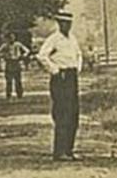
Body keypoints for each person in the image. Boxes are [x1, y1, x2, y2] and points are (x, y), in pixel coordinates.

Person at [37, 12, 81, 161]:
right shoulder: (54, 39)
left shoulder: (72, 39)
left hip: (71, 76)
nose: (66, 26)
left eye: (68, 23)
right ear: (59, 24)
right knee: (62, 113)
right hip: (60, 77)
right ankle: (59, 150)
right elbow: (42, 56)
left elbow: (78, 54)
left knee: (73, 113)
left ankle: (69, 149)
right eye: (63, 23)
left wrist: (76, 69)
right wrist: (55, 70)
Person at [0, 33, 30, 99]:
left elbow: (27, 51)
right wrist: (3, 56)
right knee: (9, 81)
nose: (11, 39)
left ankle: (19, 94)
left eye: (13, 37)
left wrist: (23, 56)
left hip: (16, 63)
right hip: (9, 63)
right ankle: (8, 94)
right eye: (10, 38)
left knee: (18, 80)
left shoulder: (18, 44)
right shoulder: (5, 45)